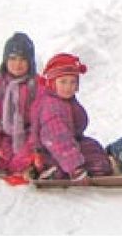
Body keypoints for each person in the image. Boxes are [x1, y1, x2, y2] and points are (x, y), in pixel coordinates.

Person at [27, 53, 112, 182]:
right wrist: (75, 168)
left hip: (69, 143)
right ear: (52, 83)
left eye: (73, 82)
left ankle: (62, 167)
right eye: (63, 82)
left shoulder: (64, 99)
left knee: (94, 147)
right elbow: (58, 139)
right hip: (49, 152)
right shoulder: (52, 107)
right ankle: (52, 170)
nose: (68, 87)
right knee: (98, 164)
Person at [0, 33, 39, 178]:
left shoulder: (37, 85)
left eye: (23, 59)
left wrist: (35, 145)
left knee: (21, 161)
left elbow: (42, 120)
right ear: (5, 60)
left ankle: (33, 168)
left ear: (30, 62)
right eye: (12, 59)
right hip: (7, 135)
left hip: (31, 135)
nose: (17, 64)